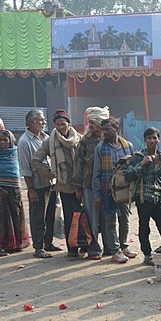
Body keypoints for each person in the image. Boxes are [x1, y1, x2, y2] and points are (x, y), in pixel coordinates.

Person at [31, 109, 93, 259]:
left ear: (69, 124)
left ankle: (85, 245)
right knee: (71, 218)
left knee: (86, 216)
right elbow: (35, 160)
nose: (60, 127)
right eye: (58, 125)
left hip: (82, 184)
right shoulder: (50, 141)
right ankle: (72, 248)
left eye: (63, 124)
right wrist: (53, 173)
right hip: (65, 186)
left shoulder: (79, 138)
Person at [92, 117, 136, 264]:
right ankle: (115, 250)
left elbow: (132, 167)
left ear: (116, 129)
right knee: (110, 221)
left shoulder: (127, 146)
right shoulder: (100, 148)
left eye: (107, 129)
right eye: (103, 129)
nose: (104, 132)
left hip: (123, 190)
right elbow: (96, 173)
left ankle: (124, 246)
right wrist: (97, 195)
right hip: (107, 189)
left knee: (124, 219)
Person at [125, 127, 161, 265]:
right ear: (145, 140)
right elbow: (128, 175)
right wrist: (141, 164)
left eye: (154, 137)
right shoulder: (139, 156)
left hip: (157, 198)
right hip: (142, 198)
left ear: (158, 139)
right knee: (144, 227)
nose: (152, 140)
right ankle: (147, 254)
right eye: (149, 138)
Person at [18, 109, 60, 258]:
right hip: (37, 185)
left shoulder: (45, 137)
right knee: (38, 217)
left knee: (50, 216)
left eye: (43, 120)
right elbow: (25, 168)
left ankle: (48, 243)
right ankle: (38, 247)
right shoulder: (24, 142)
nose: (43, 123)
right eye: (39, 120)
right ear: (30, 122)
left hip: (51, 183)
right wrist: (31, 189)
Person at [73, 106, 109, 259]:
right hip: (88, 185)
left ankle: (110, 247)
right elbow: (78, 165)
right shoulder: (85, 141)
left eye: (93, 122)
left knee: (108, 218)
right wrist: (78, 188)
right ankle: (93, 248)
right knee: (92, 219)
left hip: (107, 184)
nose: (91, 125)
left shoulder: (109, 139)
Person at [0, 130, 30, 256]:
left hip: (14, 189)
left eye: (6, 140)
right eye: (1, 140)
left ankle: (15, 243)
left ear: (11, 140)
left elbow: (18, 169)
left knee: (16, 214)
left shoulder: (16, 152)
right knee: (0, 217)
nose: (3, 142)